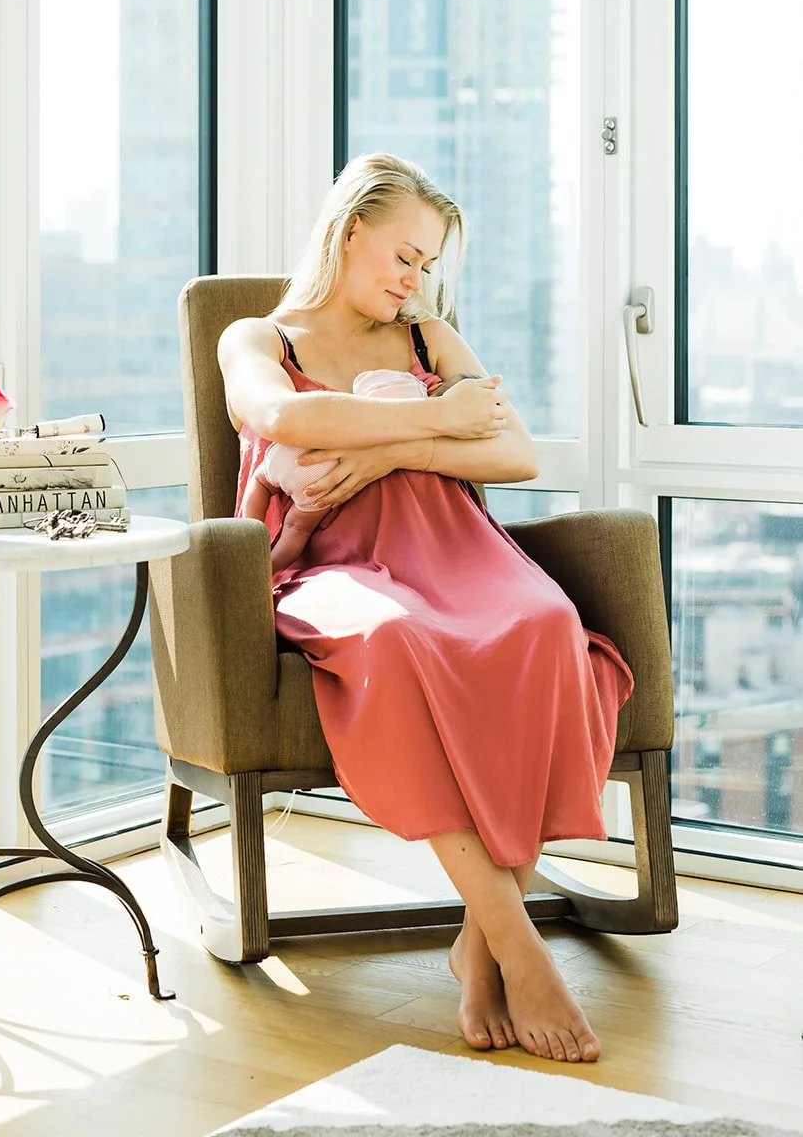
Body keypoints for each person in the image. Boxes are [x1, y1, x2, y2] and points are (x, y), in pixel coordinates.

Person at [218, 152, 635, 1066]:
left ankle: (477, 941)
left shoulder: (430, 339)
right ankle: (517, 948)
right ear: (350, 228)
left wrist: (387, 453)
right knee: (396, 640)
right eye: (403, 255)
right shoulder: (256, 338)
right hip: (334, 565)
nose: (414, 279)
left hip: (460, 551)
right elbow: (284, 421)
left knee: (548, 627)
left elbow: (516, 454)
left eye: (427, 265)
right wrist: (443, 422)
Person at [240, 368, 432, 569]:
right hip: (327, 478)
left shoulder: (399, 383)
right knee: (296, 529)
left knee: (260, 483)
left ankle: (247, 540)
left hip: (305, 448)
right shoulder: (423, 419)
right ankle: (265, 568)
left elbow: (360, 383)